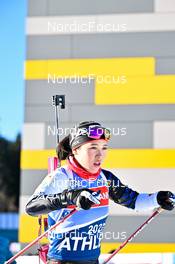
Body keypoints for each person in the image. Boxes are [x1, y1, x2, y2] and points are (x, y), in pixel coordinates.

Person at [26, 121, 174, 264]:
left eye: (104, 148)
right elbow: (32, 207)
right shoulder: (62, 176)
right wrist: (71, 197)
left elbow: (134, 201)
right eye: (93, 147)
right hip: (62, 260)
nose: (100, 155)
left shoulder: (105, 178)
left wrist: (157, 199)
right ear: (76, 150)